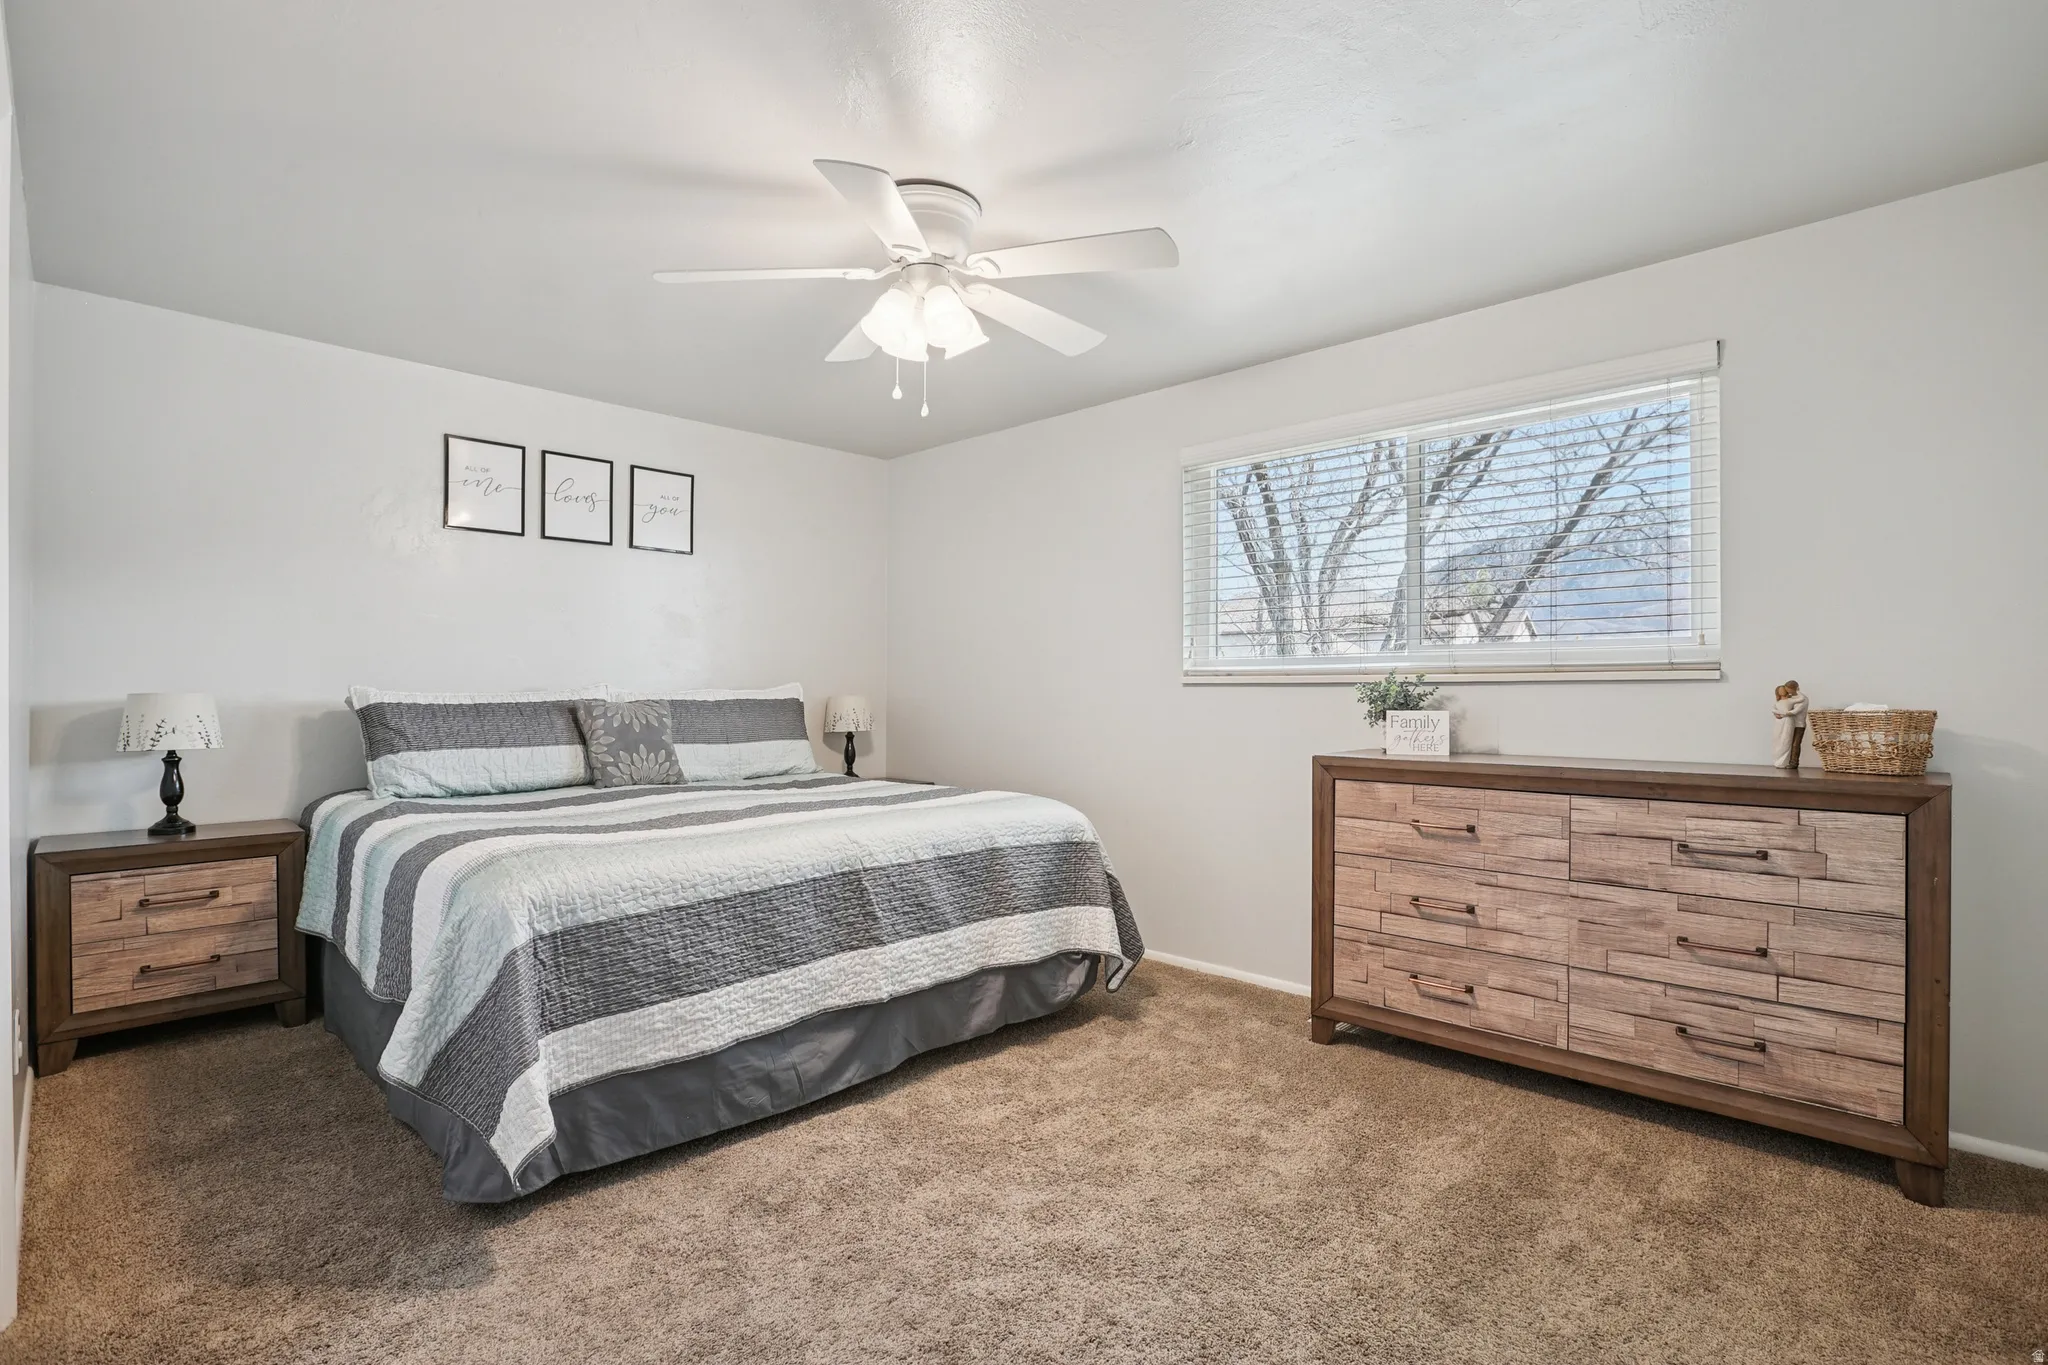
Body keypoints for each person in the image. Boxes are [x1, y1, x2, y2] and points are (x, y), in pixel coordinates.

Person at [1773, 680, 1809, 769]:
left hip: (1798, 724)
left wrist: (1781, 714)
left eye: (1787, 689)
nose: (1786, 691)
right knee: (1786, 742)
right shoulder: (1791, 698)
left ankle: (1794, 763)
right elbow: (1781, 706)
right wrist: (1776, 714)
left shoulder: (1802, 698)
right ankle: (1785, 761)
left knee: (1795, 744)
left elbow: (1795, 712)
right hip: (1788, 724)